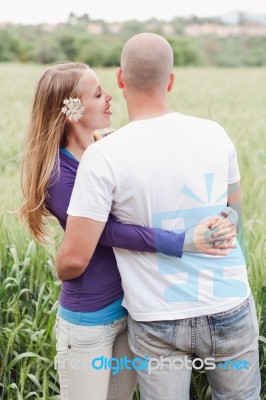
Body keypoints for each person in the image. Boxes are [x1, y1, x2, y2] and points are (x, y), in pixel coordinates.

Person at [55, 34, 261, 400]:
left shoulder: (103, 156)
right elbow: (235, 220)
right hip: (227, 303)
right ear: (171, 80)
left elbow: (76, 252)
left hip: (157, 318)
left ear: (120, 79)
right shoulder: (215, 134)